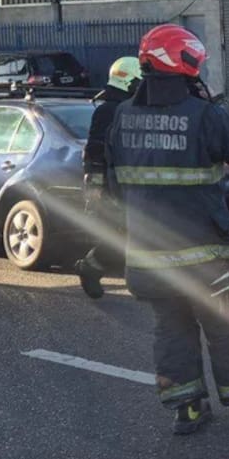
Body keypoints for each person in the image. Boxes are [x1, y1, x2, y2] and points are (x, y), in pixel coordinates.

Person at [106, 23, 229, 435]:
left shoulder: (123, 116)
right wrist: (222, 105)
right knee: (227, 326)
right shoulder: (204, 114)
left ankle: (187, 410)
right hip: (203, 255)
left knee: (172, 329)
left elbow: (113, 184)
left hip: (146, 254)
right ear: (185, 63)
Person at [74, 56, 142, 299]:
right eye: (140, 81)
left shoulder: (130, 108)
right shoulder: (109, 111)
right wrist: (100, 189)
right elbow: (95, 152)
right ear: (130, 82)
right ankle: (89, 267)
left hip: (131, 183)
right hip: (111, 186)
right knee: (121, 236)